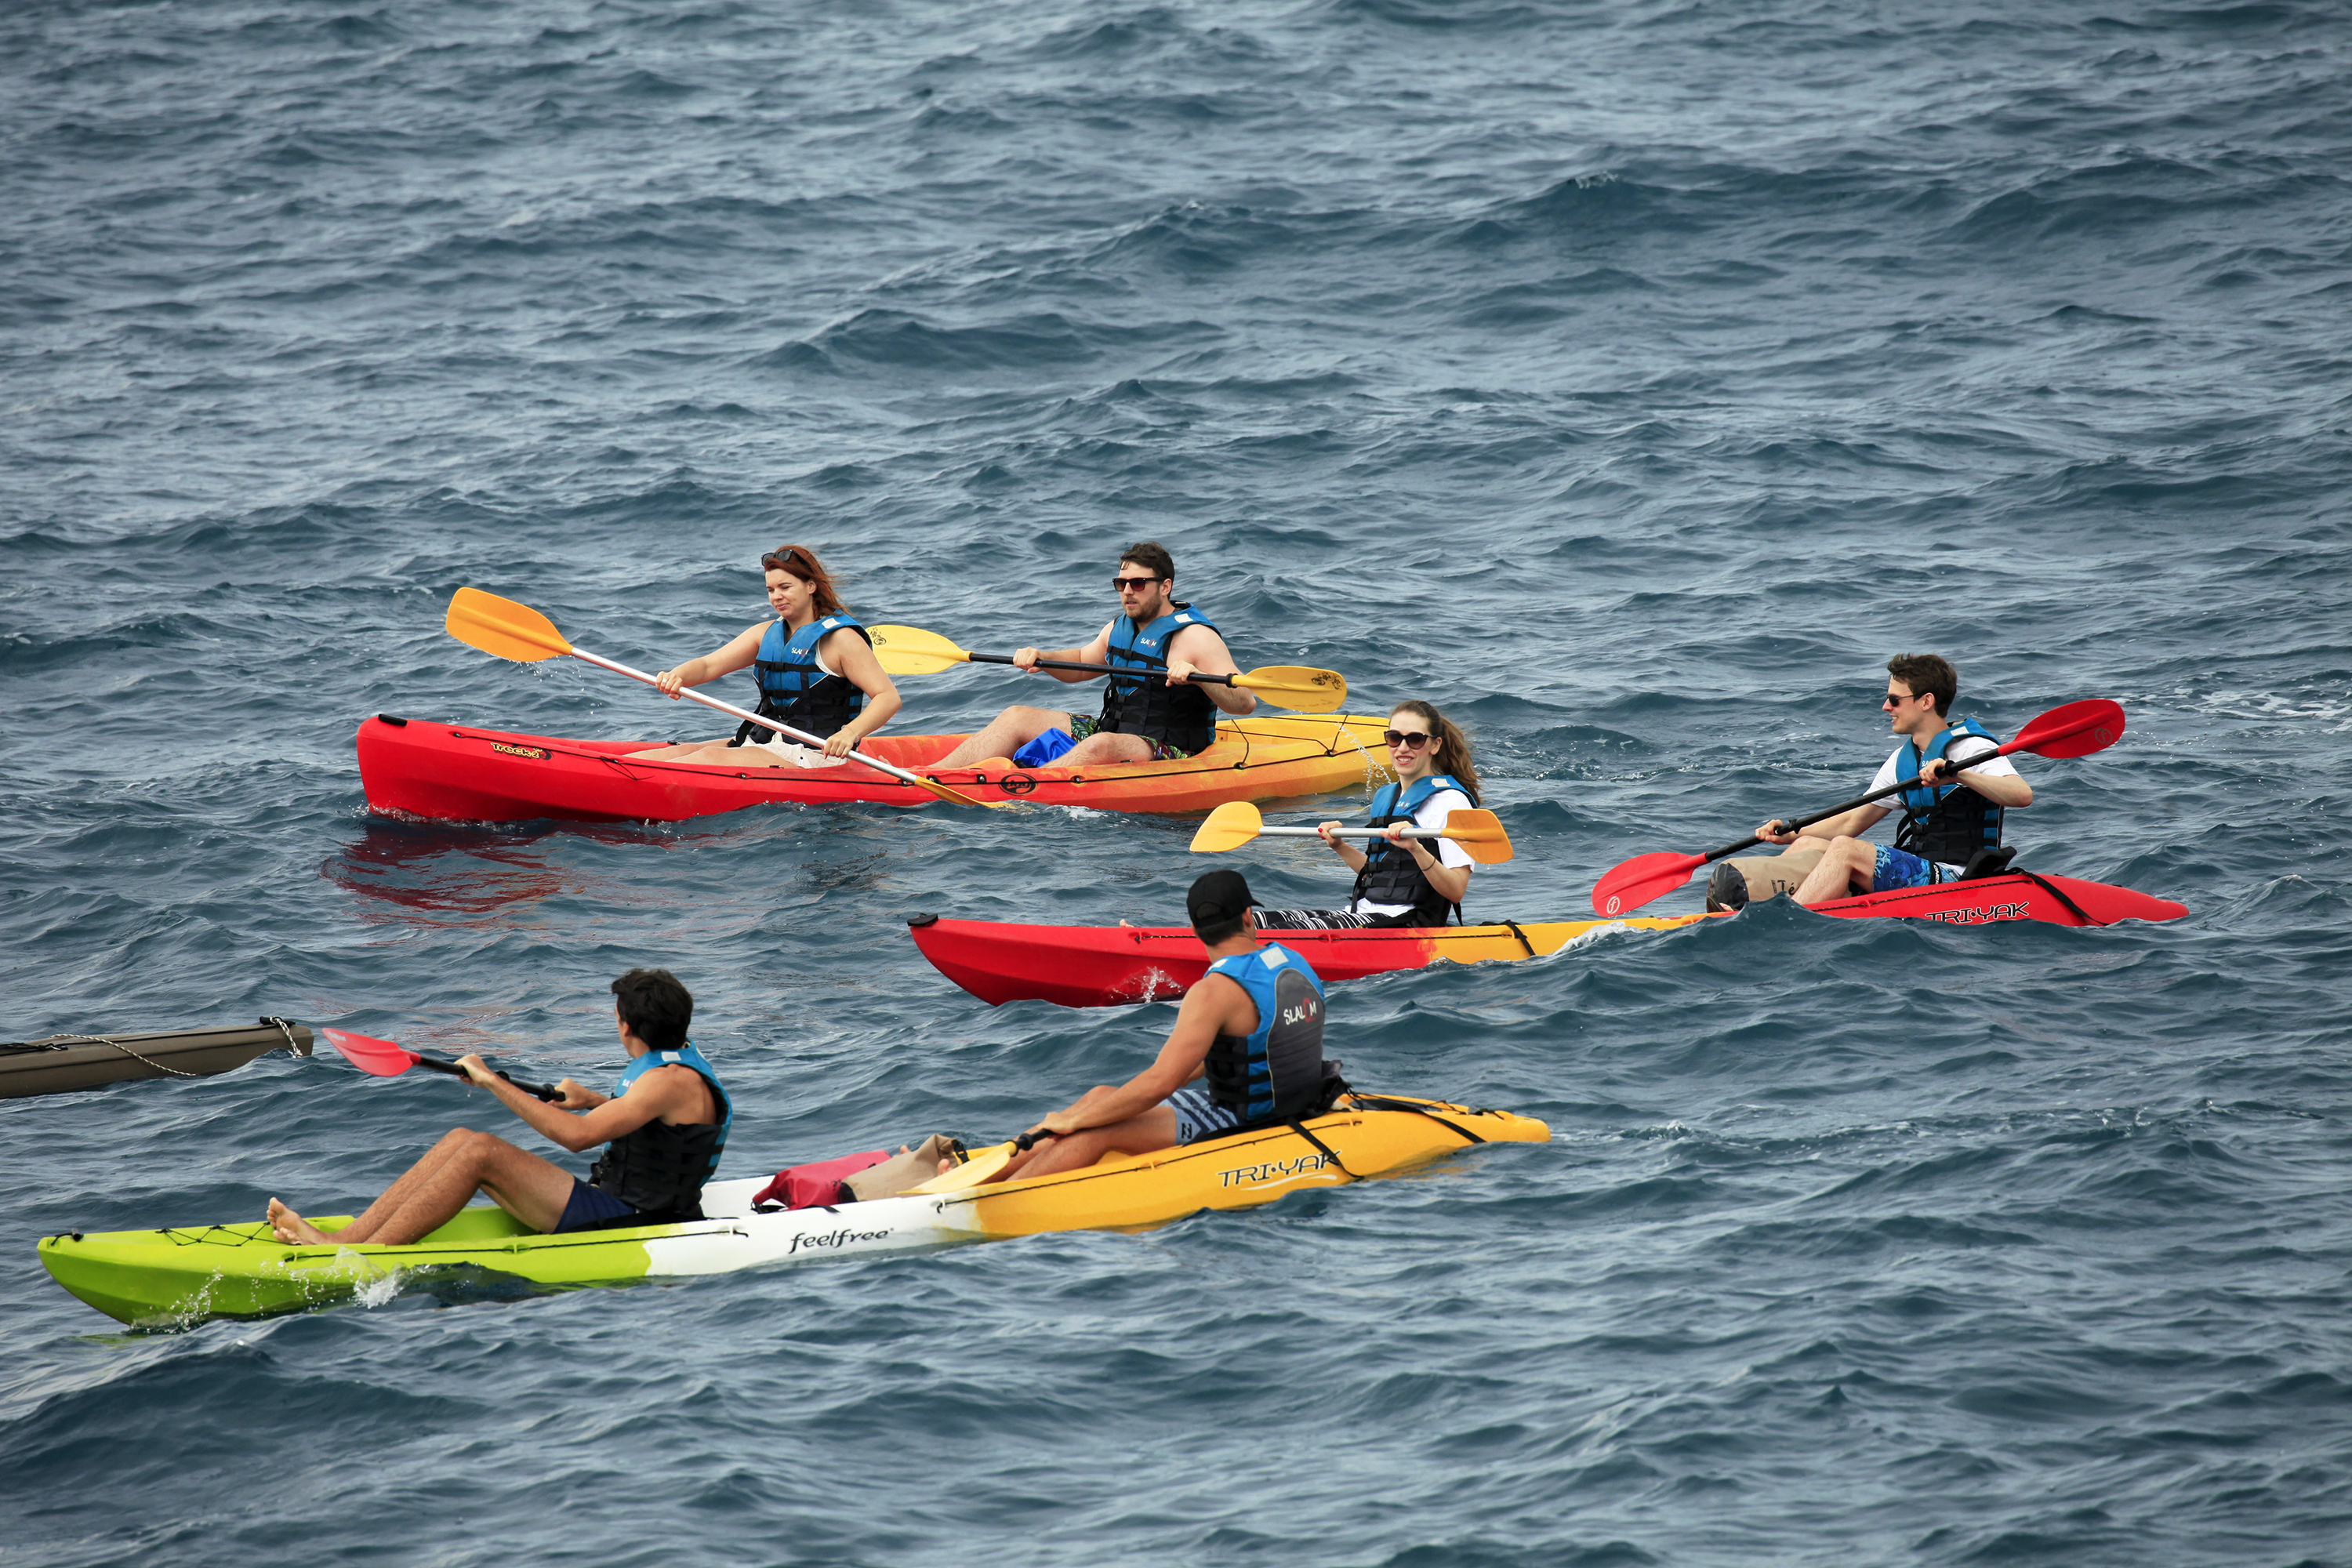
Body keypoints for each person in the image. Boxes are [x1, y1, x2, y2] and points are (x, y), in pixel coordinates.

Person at [266, 969, 732, 1247]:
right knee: (460, 1140)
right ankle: (346, 1240)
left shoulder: (666, 1082)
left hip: (635, 1219)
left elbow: (577, 1137)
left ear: (626, 1025)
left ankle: (357, 1260)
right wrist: (593, 1100)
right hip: (620, 1199)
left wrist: (490, 1081)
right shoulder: (677, 1063)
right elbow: (656, 1123)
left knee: (480, 1152)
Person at [982, 869, 1334, 1184]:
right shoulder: (1293, 961)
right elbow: (1254, 1046)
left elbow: (1161, 1083)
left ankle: (985, 1198)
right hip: (1296, 1100)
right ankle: (982, 1170)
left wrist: (1076, 1122)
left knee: (1092, 1133)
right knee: (1100, 1097)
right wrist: (1091, 1111)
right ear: (1248, 917)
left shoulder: (1212, 992)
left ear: (1195, 930)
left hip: (1245, 1121)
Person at [931, 541, 1255, 769]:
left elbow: (1244, 702)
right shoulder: (1118, 628)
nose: (1128, 591)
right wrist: (1042, 659)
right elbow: (1083, 664)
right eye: (1122, 583)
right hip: (1116, 731)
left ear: (1165, 586)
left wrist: (1197, 678)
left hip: (1173, 749)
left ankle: (1025, 789)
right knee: (1017, 715)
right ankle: (928, 775)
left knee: (1099, 745)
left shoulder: (1197, 636)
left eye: (1139, 583)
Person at [1744, 654, 2034, 909]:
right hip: (1921, 869)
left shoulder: (1972, 749)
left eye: (1895, 699)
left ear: (1926, 701)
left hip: (1960, 878)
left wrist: (1960, 774)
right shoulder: (1901, 761)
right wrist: (1791, 833)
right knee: (1808, 842)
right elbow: (1850, 822)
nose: (1886, 707)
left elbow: (2022, 795)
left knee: (1845, 849)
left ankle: (1792, 919)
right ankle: (1760, 908)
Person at [634, 544, 901, 766]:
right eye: (771, 590)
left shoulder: (841, 640)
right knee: (674, 753)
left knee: (708, 757)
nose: (777, 597)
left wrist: (850, 733)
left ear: (810, 586)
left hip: (817, 754)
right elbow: (707, 665)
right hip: (763, 741)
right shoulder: (764, 634)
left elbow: (888, 698)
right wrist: (678, 676)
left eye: (785, 587)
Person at [1254, 700, 1484, 929]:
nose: (1402, 748)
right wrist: (1339, 846)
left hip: (1410, 921)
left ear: (1435, 745)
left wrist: (1416, 848)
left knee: (1281, 933)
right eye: (1395, 738)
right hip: (1364, 912)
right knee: (1251, 923)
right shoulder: (1386, 797)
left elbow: (1456, 890)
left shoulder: (1451, 801)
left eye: (1415, 739)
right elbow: (1380, 875)